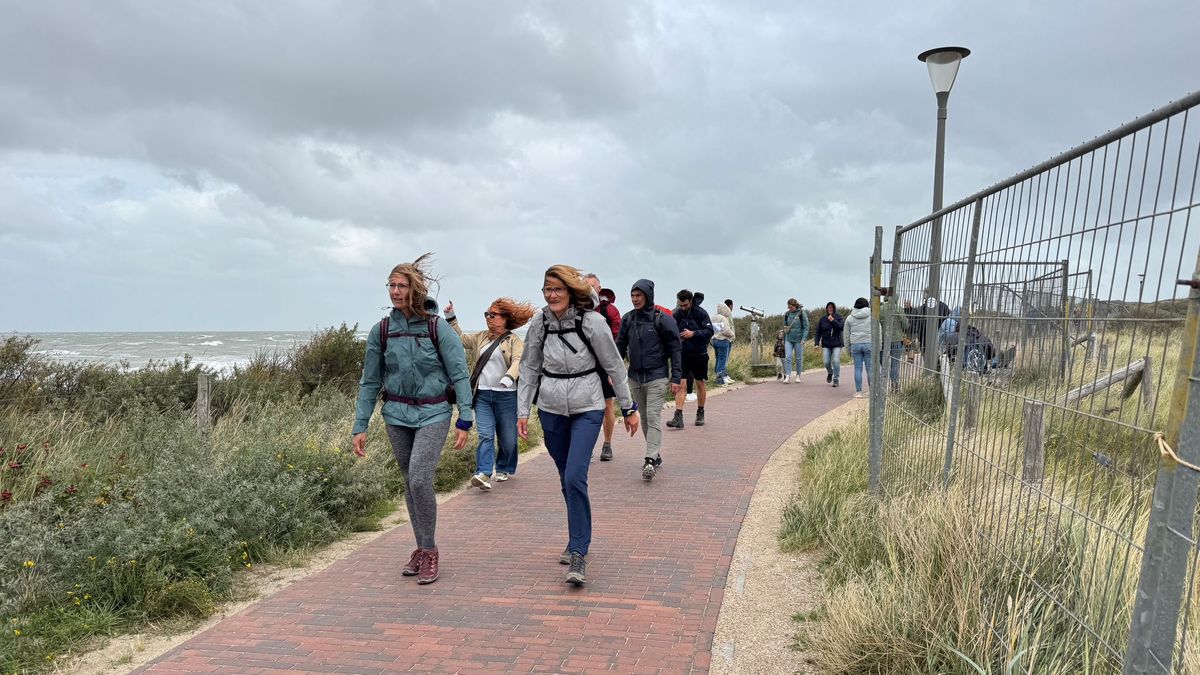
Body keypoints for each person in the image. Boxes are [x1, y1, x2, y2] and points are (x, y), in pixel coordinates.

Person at [352, 255, 474, 586]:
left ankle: (431, 551)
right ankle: (420, 548)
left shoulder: (437, 328)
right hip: (396, 414)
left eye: (401, 285)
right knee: (408, 482)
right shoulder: (383, 330)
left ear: (414, 289)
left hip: (434, 412)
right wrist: (360, 425)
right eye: (391, 285)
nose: (394, 291)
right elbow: (369, 381)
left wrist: (465, 416)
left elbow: (460, 373)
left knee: (420, 479)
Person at [517, 264, 640, 587]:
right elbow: (529, 366)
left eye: (558, 289)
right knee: (565, 477)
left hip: (588, 405)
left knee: (575, 475)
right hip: (551, 406)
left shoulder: (593, 322)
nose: (552, 295)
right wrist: (521, 411)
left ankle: (579, 553)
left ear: (571, 291)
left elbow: (614, 364)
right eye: (547, 289)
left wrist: (628, 407)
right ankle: (575, 537)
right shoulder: (539, 323)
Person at [445, 297, 535, 489]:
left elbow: (519, 361)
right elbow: (459, 339)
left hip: (507, 396)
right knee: (485, 435)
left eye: (493, 315)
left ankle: (503, 467)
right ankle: (484, 472)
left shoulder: (514, 341)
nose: (488, 317)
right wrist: (451, 317)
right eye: (487, 314)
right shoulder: (480, 337)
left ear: (504, 318)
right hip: (483, 395)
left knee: (508, 438)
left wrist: (509, 377)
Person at [617, 279, 683, 481]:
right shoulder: (628, 319)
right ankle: (655, 452)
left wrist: (676, 376)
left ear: (648, 296)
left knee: (653, 415)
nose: (635, 299)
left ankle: (650, 460)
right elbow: (618, 348)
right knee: (644, 417)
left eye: (639, 295)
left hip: (657, 376)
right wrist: (613, 374)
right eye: (632, 295)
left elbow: (675, 347)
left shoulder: (662, 319)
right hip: (635, 377)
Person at [585, 273, 622, 462]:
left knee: (607, 405)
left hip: (603, 364)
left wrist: (611, 368)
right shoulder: (577, 310)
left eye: (594, 286)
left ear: (599, 289)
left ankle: (607, 444)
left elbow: (617, 339)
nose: (591, 290)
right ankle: (586, 446)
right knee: (584, 407)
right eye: (587, 286)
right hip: (584, 365)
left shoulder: (610, 311)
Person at [667, 289, 714, 428]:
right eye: (680, 305)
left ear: (691, 301)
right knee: (681, 383)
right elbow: (671, 331)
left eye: (685, 305)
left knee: (700, 383)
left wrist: (693, 333)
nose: (683, 308)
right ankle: (678, 416)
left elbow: (709, 331)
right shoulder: (677, 314)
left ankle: (700, 411)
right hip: (683, 354)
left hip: (699, 353)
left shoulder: (701, 313)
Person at [880, 294, 910, 391]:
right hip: (897, 339)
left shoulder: (880, 309)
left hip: (883, 340)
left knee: (883, 363)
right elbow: (906, 325)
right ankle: (894, 385)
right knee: (895, 363)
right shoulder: (898, 309)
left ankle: (883, 385)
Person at [845, 297, 872, 398]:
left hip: (855, 344)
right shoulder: (872, 316)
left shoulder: (850, 318)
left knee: (857, 368)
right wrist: (879, 345)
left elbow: (846, 335)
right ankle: (871, 390)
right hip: (869, 343)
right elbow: (878, 330)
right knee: (870, 368)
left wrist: (848, 349)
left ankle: (859, 392)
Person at [813, 301, 845, 387]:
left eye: (831, 307)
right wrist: (816, 343)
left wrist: (833, 320)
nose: (830, 309)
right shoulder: (822, 319)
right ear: (826, 309)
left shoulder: (839, 317)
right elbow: (818, 332)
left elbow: (841, 327)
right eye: (828, 307)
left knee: (835, 360)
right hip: (826, 344)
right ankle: (830, 372)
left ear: (834, 309)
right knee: (826, 362)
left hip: (837, 343)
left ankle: (836, 379)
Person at [781, 299, 809, 383]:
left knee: (798, 358)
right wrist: (784, 339)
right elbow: (785, 327)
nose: (790, 309)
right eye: (788, 307)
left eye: (791, 307)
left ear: (795, 305)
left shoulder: (801, 313)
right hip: (788, 339)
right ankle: (788, 376)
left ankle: (798, 375)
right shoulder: (787, 314)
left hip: (799, 340)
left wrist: (804, 339)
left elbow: (806, 327)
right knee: (788, 357)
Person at [711, 299, 736, 386]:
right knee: (723, 361)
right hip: (723, 340)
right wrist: (732, 335)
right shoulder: (723, 318)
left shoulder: (714, 317)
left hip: (715, 340)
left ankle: (719, 378)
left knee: (718, 360)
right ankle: (719, 381)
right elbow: (726, 330)